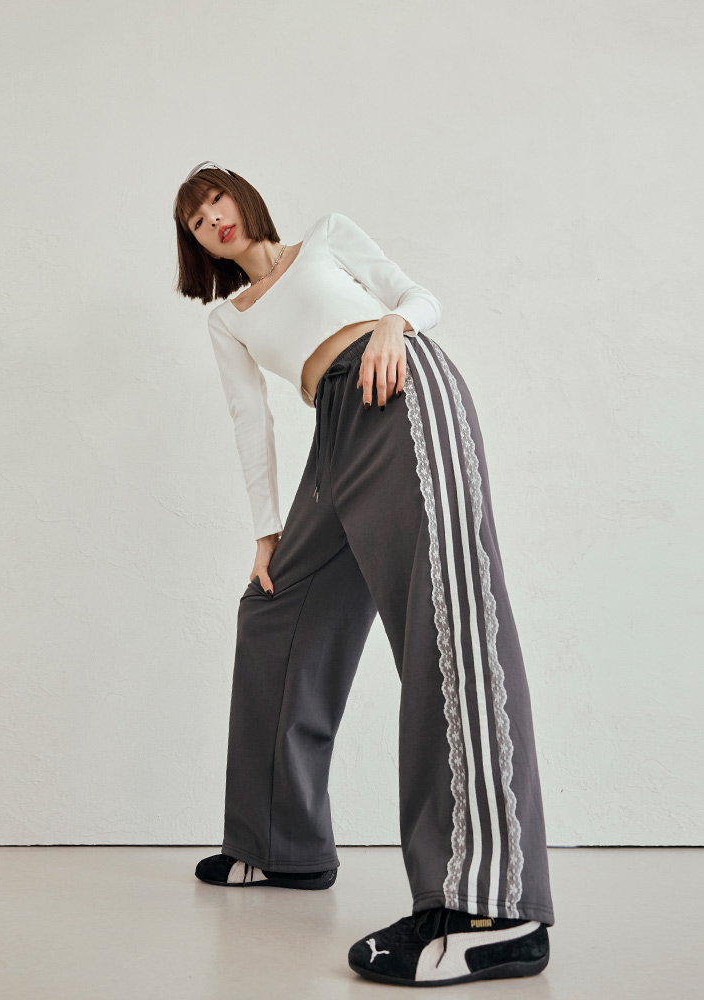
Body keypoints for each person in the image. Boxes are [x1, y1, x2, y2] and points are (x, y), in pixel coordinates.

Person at [173, 161, 555, 987]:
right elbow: (249, 417)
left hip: (399, 386)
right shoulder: (227, 318)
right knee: (275, 611)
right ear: (195, 244)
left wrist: (392, 326)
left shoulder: (327, 238)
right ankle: (281, 845)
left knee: (444, 615)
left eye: (217, 200)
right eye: (197, 221)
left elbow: (417, 295)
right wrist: (268, 531)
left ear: (242, 197)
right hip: (334, 434)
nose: (214, 220)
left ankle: (493, 907)